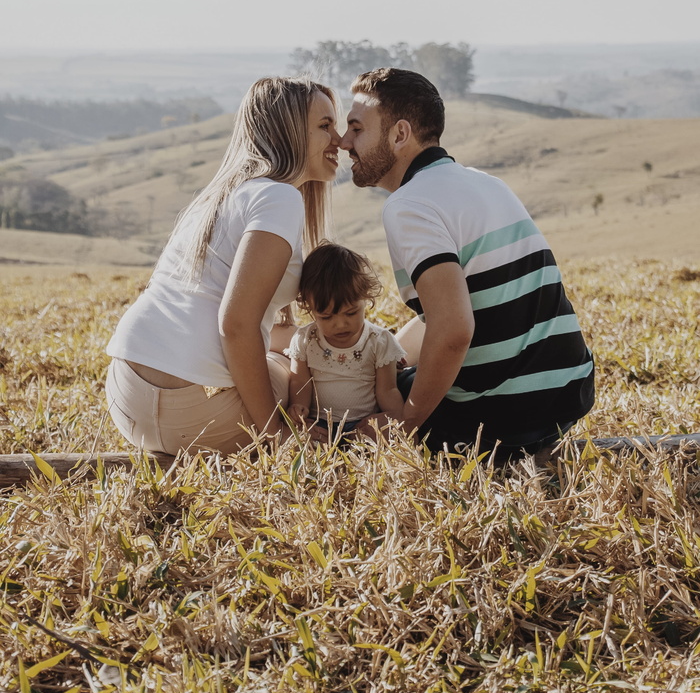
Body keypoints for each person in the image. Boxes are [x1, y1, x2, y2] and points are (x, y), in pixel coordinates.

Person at [339, 67, 595, 459]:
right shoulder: (485, 183)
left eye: (356, 128)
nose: (344, 142)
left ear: (400, 134)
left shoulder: (409, 206)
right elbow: (454, 311)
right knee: (392, 373)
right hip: (567, 391)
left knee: (355, 406)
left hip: (501, 410)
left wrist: (405, 422)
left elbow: (454, 329)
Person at [105, 76, 342, 456]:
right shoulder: (280, 198)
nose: (340, 140)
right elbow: (235, 325)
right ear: (288, 132)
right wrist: (275, 434)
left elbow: (251, 323)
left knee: (288, 349)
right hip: (194, 414)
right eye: (325, 127)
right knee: (297, 367)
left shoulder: (219, 197)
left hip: (126, 397)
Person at [287, 242, 406, 437]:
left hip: (363, 424)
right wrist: (298, 407)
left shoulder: (379, 341)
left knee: (380, 437)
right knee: (304, 443)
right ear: (309, 307)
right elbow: (300, 382)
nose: (341, 324)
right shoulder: (305, 339)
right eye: (326, 317)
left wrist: (395, 418)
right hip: (320, 424)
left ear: (366, 299)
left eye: (351, 313)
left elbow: (388, 390)